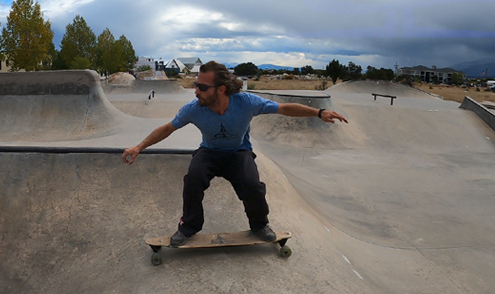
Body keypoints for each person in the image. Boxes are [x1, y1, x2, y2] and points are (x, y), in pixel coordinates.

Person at [122, 61, 348, 246]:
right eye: (195, 85)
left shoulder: (247, 103)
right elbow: (168, 128)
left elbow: (283, 108)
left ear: (220, 89)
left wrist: (319, 112)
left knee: (253, 186)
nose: (196, 91)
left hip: (239, 153)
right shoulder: (193, 108)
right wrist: (138, 147)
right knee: (193, 179)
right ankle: (188, 228)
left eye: (202, 87)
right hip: (209, 153)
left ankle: (259, 225)